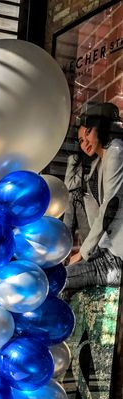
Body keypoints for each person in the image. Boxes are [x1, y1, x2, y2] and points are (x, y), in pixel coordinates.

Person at [64, 102, 123, 290]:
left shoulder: (116, 150)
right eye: (80, 140)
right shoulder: (98, 163)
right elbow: (70, 187)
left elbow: (109, 206)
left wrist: (83, 252)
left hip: (116, 258)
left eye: (88, 133)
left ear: (102, 127)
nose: (85, 143)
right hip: (105, 251)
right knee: (60, 279)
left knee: (58, 282)